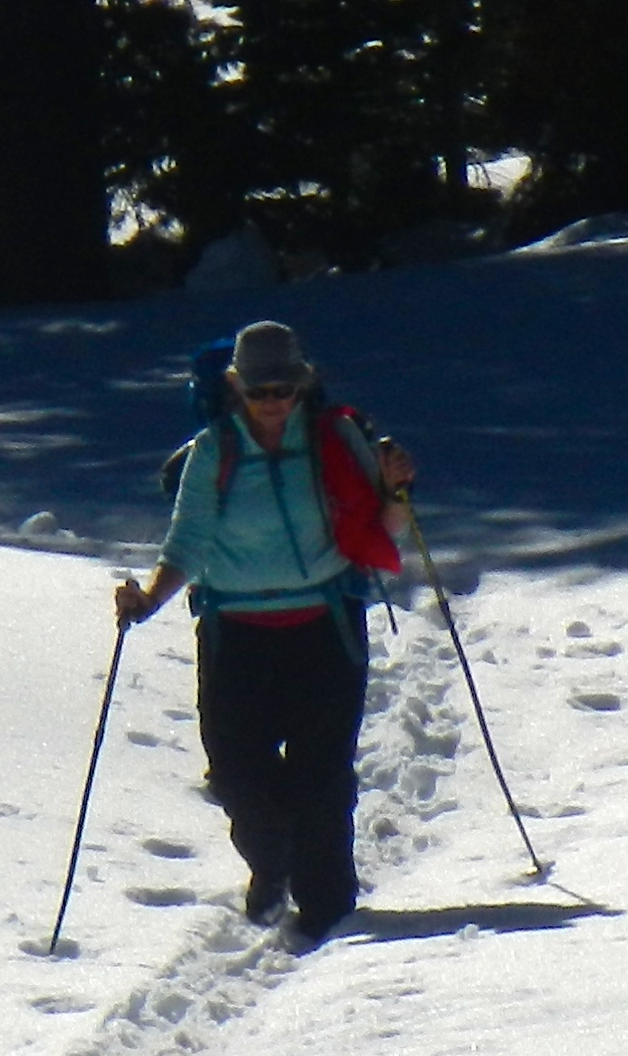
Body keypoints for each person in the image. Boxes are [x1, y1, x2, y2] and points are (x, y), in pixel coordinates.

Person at [115, 318, 417, 944]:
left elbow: (382, 528)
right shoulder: (215, 451)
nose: (274, 401)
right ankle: (274, 861)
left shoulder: (335, 440)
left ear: (304, 385)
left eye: (285, 388)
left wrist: (396, 492)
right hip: (235, 632)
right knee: (236, 774)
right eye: (260, 391)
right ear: (236, 388)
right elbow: (188, 542)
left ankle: (329, 916)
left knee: (322, 777)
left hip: (325, 625)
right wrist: (149, 598)